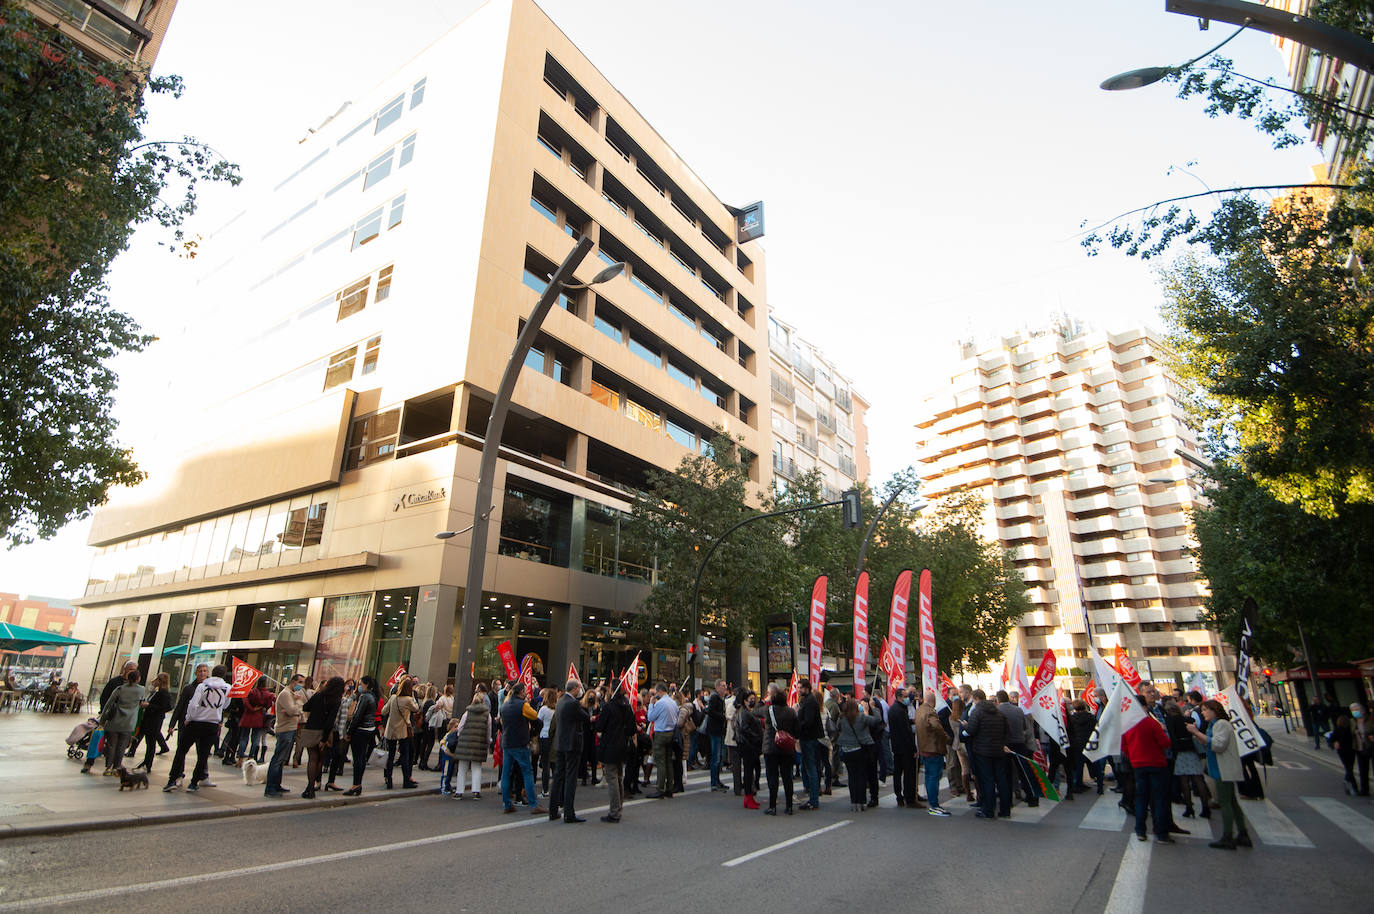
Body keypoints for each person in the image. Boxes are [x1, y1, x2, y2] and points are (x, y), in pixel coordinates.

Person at [1187, 698, 1254, 850]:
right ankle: (1243, 834)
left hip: (1223, 768)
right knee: (1232, 802)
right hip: (1218, 767)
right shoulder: (1214, 724)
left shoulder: (1222, 724)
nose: (1203, 713)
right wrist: (1196, 734)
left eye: (1205, 710)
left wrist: (1197, 732)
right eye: (1202, 710)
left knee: (1225, 803)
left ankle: (1228, 836)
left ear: (1214, 710)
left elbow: (1217, 745)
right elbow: (1208, 742)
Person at [164, 664, 231, 792]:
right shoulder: (227, 687)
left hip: (196, 722)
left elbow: (193, 704)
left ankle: (172, 779)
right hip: (212, 724)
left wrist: (188, 719)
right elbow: (226, 705)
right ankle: (194, 783)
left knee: (181, 751)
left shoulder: (202, 686)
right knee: (203, 755)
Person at [1122, 695, 1174, 844]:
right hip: (1156, 763)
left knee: (1141, 798)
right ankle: (1161, 833)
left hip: (1138, 764)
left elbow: (1124, 746)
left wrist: (1132, 756)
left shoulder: (1128, 725)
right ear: (1144, 707)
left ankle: (1140, 831)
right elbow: (1165, 743)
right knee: (1159, 799)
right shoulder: (1152, 723)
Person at [498, 681, 548, 816]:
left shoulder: (505, 705)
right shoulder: (523, 705)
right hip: (520, 742)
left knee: (506, 773)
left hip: (507, 742)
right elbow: (534, 716)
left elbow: (501, 722)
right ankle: (534, 804)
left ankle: (507, 803)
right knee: (527, 772)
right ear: (521, 692)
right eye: (525, 690)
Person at [963, 689, 1010, 819]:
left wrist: (965, 727)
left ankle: (988, 809)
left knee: (987, 780)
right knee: (1001, 780)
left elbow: (971, 730)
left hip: (983, 751)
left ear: (976, 700)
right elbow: (1007, 731)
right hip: (999, 750)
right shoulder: (999, 713)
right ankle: (1005, 809)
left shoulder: (978, 713)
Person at [549, 678, 589, 822]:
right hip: (572, 744)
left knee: (558, 777)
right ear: (575, 688)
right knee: (571, 778)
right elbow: (586, 717)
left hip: (560, 743)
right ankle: (569, 813)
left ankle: (553, 811)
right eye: (579, 688)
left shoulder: (560, 701)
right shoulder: (573, 703)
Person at [298, 676, 344, 799]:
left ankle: (310, 787)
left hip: (311, 728)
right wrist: (324, 739)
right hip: (323, 731)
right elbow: (330, 720)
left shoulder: (318, 695)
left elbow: (306, 707)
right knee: (320, 760)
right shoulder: (336, 700)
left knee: (312, 759)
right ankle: (312, 786)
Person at [595, 684, 634, 822]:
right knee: (619, 777)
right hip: (622, 745)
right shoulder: (627, 707)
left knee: (612, 778)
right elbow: (632, 729)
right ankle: (619, 807)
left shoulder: (609, 707)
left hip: (610, 745)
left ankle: (614, 811)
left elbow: (599, 726)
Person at [97, 668, 145, 776]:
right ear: (138, 679)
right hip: (128, 723)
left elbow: (108, 704)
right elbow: (142, 701)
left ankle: (108, 767)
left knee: (111, 745)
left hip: (114, 722)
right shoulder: (141, 690)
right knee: (121, 746)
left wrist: (102, 719)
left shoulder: (120, 689)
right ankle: (116, 767)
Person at [1166, 698, 1209, 819]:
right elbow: (1193, 720)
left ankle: (1189, 807)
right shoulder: (1185, 719)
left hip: (1180, 752)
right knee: (1198, 779)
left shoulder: (1169, 720)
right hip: (1191, 749)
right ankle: (1205, 807)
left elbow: (1172, 737)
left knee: (1184, 782)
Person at [265, 674, 306, 798]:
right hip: (285, 729)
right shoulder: (286, 694)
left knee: (281, 759)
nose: (301, 685)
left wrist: (295, 707)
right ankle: (271, 787)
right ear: (293, 682)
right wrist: (298, 704)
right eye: (300, 682)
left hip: (291, 728)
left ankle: (276, 785)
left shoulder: (291, 695)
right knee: (278, 759)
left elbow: (295, 711)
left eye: (303, 682)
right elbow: (292, 711)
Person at [996, 690, 1038, 807]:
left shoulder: (998, 711)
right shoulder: (1019, 710)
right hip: (1020, 742)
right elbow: (1025, 726)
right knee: (1024, 771)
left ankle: (1008, 801)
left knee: (1006, 773)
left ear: (998, 700)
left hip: (1005, 744)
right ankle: (1032, 798)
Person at [836, 698, 877, 813]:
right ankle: (861, 801)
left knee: (852, 777)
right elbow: (875, 721)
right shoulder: (861, 717)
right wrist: (868, 710)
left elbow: (837, 728)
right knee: (861, 776)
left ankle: (854, 801)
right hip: (859, 749)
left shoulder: (842, 718)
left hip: (846, 750)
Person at [762, 685, 798, 815]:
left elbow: (754, 712)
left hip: (771, 747)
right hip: (787, 748)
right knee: (787, 777)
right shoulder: (791, 712)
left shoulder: (768, 710)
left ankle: (772, 806)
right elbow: (796, 730)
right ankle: (789, 806)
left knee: (772, 778)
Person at [915, 689, 951, 816]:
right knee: (934, 777)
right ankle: (934, 805)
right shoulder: (930, 712)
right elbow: (936, 726)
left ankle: (933, 803)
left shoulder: (919, 710)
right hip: (933, 748)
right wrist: (946, 737)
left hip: (924, 748)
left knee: (930, 776)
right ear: (933, 701)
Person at [341, 676, 380, 796]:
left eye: (361, 684)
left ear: (366, 684)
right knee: (361, 757)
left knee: (358, 758)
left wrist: (349, 732)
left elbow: (357, 716)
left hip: (361, 730)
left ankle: (356, 784)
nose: (359, 686)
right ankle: (357, 784)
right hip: (369, 729)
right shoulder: (374, 696)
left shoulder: (365, 696)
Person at [450, 689, 491, 799]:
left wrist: (461, 737)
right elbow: (488, 730)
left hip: (465, 742)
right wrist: (488, 741)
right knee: (476, 767)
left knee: (462, 768)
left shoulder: (467, 713)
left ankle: (459, 791)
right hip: (479, 743)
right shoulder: (487, 715)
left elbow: (460, 727)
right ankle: (476, 791)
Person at [131, 672, 173, 772]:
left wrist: (149, 705)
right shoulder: (157, 692)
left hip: (154, 721)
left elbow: (165, 707)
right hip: (149, 720)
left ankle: (148, 763)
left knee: (151, 743)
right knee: (149, 742)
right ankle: (146, 761)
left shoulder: (163, 693)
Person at [382, 679, 419, 790]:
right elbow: (416, 708)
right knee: (404, 756)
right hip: (403, 730)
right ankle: (406, 780)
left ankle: (389, 780)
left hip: (391, 730)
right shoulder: (408, 699)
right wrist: (412, 696)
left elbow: (384, 711)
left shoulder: (393, 698)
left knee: (390, 756)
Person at [795, 678, 825, 811]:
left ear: (806, 688)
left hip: (809, 738)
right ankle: (813, 798)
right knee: (810, 768)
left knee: (811, 768)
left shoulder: (810, 701)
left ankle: (814, 800)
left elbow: (808, 721)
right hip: (808, 737)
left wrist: (797, 727)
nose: (799, 690)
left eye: (800, 687)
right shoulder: (808, 700)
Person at [645, 682, 677, 798]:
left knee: (661, 762)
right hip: (671, 732)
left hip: (661, 732)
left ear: (659, 691)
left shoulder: (661, 703)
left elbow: (651, 717)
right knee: (668, 761)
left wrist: (651, 705)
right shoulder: (673, 702)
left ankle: (660, 788)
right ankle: (669, 787)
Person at [887, 688, 917, 807]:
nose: (907, 698)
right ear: (899, 697)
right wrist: (913, 749)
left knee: (898, 772)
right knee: (908, 773)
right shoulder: (900, 710)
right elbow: (906, 732)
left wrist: (910, 721)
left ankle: (899, 795)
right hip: (905, 747)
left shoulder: (893, 709)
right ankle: (909, 798)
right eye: (905, 696)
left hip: (896, 746)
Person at [236, 676, 273, 766]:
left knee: (244, 738)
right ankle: (251, 757)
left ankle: (240, 759)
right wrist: (261, 708)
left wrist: (252, 709)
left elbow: (245, 701)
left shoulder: (251, 692)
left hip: (248, 716)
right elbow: (268, 705)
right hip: (259, 717)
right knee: (255, 739)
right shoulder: (267, 694)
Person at [735, 690, 763, 810]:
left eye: (753, 699)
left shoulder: (746, 712)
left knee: (749, 771)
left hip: (749, 745)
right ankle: (748, 796)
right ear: (745, 701)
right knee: (748, 772)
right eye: (750, 699)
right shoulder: (745, 713)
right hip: (748, 745)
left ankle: (749, 797)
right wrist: (756, 737)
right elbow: (744, 729)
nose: (752, 701)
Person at [705, 679, 729, 791]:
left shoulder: (721, 698)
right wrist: (723, 717)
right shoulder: (715, 698)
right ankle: (714, 782)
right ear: (718, 687)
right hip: (715, 730)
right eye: (723, 686)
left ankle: (717, 781)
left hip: (719, 730)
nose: (725, 688)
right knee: (716, 756)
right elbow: (710, 711)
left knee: (719, 757)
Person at [292, 677, 318, 769]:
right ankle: (296, 759)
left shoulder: (298, 692)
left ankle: (287, 759)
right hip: (307, 719)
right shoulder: (312, 692)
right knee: (300, 740)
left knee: (294, 738)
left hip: (298, 717)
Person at [537, 687, 557, 796]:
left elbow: (538, 722)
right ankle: (555, 788)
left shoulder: (543, 709)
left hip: (544, 736)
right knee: (554, 764)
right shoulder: (557, 709)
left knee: (545, 765)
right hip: (553, 738)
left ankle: (545, 790)